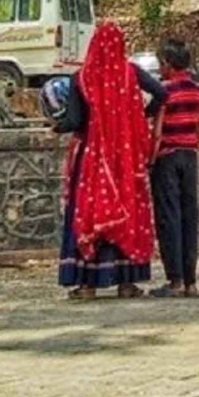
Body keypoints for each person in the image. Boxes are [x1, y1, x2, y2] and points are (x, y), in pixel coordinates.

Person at [57, 22, 165, 300]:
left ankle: (87, 284)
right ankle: (126, 283)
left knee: (90, 213)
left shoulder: (81, 78)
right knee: (127, 212)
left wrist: (56, 126)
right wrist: (138, 115)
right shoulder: (131, 73)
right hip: (125, 161)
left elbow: (75, 120)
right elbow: (162, 94)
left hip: (92, 161)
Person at [149, 38, 199, 298]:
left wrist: (151, 159)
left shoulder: (164, 91)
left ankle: (174, 279)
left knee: (168, 217)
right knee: (189, 216)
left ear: (168, 65)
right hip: (190, 155)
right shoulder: (198, 91)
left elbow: (158, 130)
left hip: (168, 156)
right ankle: (191, 281)